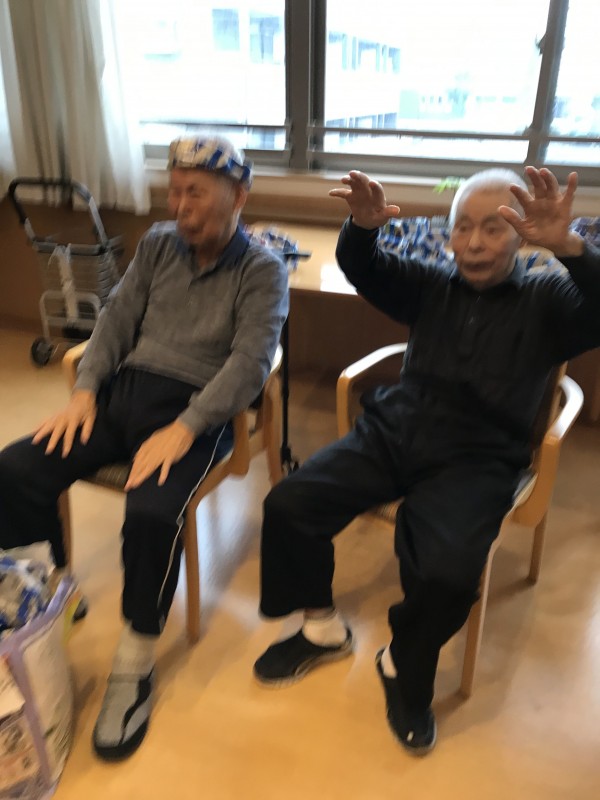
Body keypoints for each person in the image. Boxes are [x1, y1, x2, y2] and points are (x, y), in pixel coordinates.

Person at [252, 165, 600, 755]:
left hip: (480, 457)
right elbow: (365, 267)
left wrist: (569, 246)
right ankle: (321, 628)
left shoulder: (548, 299)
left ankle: (403, 664)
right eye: (463, 228)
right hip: (398, 430)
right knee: (290, 502)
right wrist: (363, 228)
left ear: (521, 235)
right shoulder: (433, 284)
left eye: (493, 228)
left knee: (446, 574)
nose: (474, 243)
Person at [0, 135, 289, 760]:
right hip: (124, 394)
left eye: (197, 194)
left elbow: (249, 365)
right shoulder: (159, 243)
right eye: (175, 192)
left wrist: (186, 426)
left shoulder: (263, 271)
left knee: (153, 513)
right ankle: (52, 591)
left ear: (239, 196)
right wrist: (85, 391)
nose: (181, 207)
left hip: (196, 410)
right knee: (14, 469)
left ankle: (134, 662)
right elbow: (115, 319)